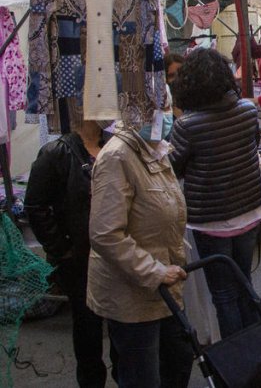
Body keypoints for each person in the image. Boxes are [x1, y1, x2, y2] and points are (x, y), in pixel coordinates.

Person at [87, 113, 193, 388]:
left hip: (166, 285)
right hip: (132, 293)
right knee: (143, 375)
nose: (166, 114)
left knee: (178, 360)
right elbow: (105, 233)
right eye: (157, 106)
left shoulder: (155, 147)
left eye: (166, 104)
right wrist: (154, 271)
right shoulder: (117, 157)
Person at [169, 49, 261, 338]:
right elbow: (253, 145)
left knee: (224, 295)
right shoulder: (248, 111)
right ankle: (257, 347)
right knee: (245, 281)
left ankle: (237, 360)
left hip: (211, 219)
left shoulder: (186, 126)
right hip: (250, 210)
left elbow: (173, 168)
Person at [26, 120, 116, 388]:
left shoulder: (115, 144)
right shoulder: (56, 153)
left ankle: (125, 376)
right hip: (80, 260)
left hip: (116, 254)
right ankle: (91, 382)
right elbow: (35, 205)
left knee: (122, 326)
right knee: (87, 327)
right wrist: (62, 249)